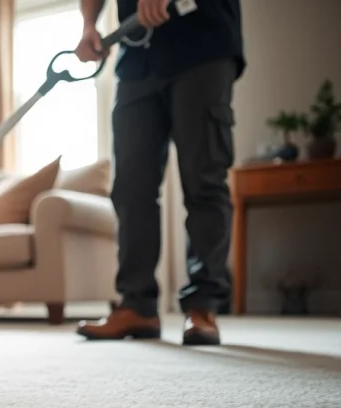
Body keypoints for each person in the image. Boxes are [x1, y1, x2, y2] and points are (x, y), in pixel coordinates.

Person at [74, 0, 244, 345]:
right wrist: (89, 24)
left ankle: (203, 307)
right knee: (131, 189)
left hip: (202, 42)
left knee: (203, 181)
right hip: (137, 58)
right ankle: (136, 305)